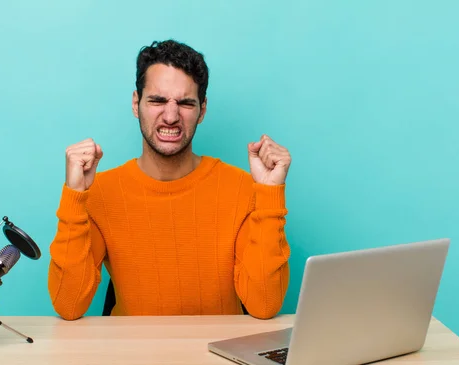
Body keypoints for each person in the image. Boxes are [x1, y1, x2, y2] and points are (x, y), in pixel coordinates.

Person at [48, 39, 292, 320]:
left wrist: (270, 194)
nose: (171, 116)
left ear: (202, 110)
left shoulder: (242, 188)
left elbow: (265, 305)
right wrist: (74, 196)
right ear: (136, 103)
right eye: (158, 100)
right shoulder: (100, 192)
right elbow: (68, 305)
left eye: (186, 103)